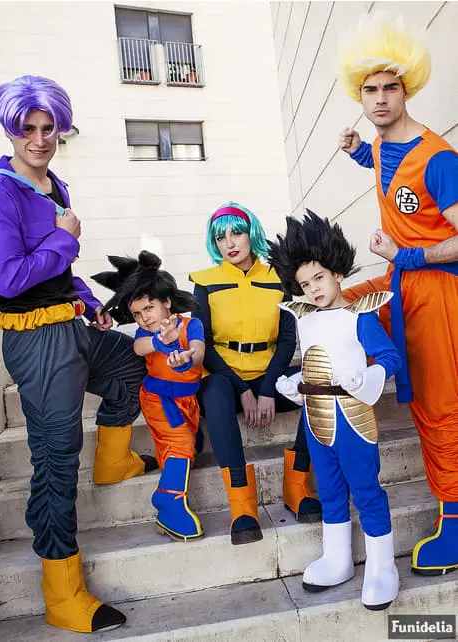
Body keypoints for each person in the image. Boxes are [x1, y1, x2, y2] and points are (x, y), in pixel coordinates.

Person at [0, 75, 157, 634]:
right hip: (36, 340)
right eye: (27, 129)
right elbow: (9, 279)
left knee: (134, 363)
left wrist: (90, 301)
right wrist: (65, 238)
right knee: (56, 460)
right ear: (10, 130)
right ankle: (62, 592)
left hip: (71, 324)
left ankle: (112, 462)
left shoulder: (54, 185)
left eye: (48, 128)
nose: (39, 139)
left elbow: (60, 271)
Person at [337, 14, 458, 576]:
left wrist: (407, 255)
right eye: (370, 90)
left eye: (390, 87)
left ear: (407, 89)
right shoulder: (384, 143)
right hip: (401, 286)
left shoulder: (439, 158)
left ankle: (455, 523)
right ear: (359, 95)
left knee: (440, 406)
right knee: (332, 304)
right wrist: (358, 152)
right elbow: (391, 173)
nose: (381, 98)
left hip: (437, 294)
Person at [268, 211, 402, 610]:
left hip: (353, 419)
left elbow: (390, 357)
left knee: (366, 489)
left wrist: (369, 375)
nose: (313, 289)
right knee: (328, 489)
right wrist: (294, 383)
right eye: (305, 284)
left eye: (319, 278)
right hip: (316, 419)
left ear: (337, 272)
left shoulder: (361, 314)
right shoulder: (304, 318)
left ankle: (382, 568)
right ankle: (337, 558)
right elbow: (315, 362)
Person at [189, 202, 321, 546]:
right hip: (225, 379)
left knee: (318, 378)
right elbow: (205, 343)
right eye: (220, 238)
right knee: (215, 391)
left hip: (268, 376)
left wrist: (266, 389)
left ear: (252, 234)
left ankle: (297, 485)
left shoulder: (278, 278)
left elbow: (288, 339)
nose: (229, 243)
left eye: (237, 233)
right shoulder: (205, 282)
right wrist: (243, 390)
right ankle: (242, 506)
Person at [92, 250, 205, 542]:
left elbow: (198, 351)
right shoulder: (146, 335)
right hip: (158, 400)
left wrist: (187, 357)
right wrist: (160, 341)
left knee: (183, 447)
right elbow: (139, 348)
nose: (144, 318)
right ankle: (168, 502)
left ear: (166, 302)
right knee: (180, 445)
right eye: (137, 314)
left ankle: (171, 488)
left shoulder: (192, 325)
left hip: (188, 401)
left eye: (149, 308)